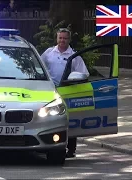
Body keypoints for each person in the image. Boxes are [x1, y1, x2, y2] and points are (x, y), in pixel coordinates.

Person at [40, 28, 89, 158]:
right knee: (48, 118)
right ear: (57, 38)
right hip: (50, 91)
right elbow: (38, 68)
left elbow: (84, 73)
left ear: (69, 39)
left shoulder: (74, 56)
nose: (62, 40)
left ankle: (71, 149)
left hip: (68, 91)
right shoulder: (48, 53)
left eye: (65, 38)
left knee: (69, 120)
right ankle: (46, 144)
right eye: (60, 38)